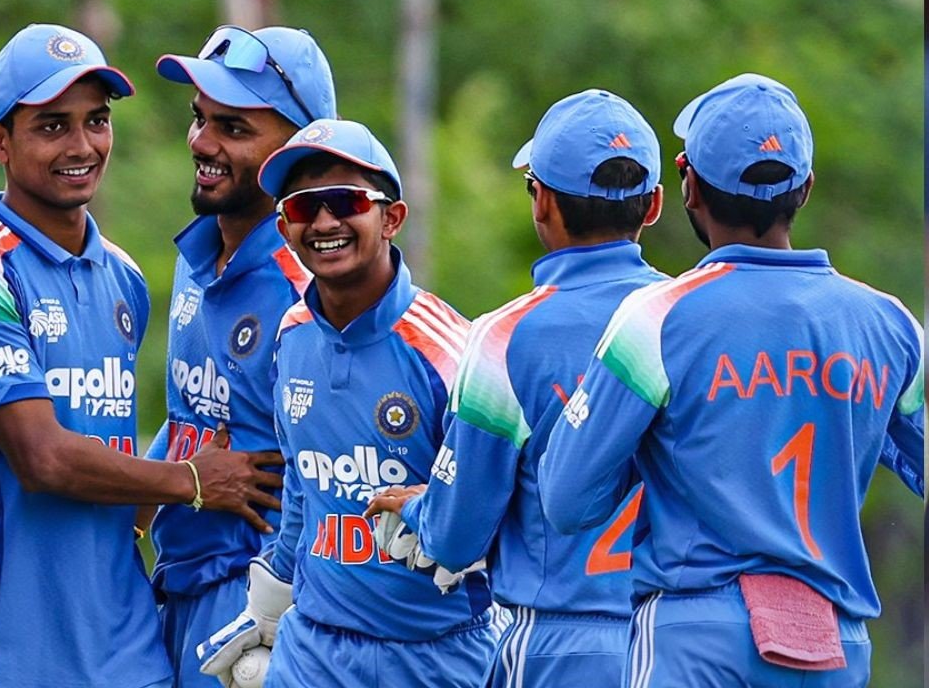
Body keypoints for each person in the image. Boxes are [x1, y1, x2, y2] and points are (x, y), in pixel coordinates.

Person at [0, 23, 284, 688]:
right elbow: (43, 458)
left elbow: (112, 441)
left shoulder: (124, 276)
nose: (82, 146)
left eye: (97, 121)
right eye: (52, 126)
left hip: (127, 652)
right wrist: (194, 482)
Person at [541, 73, 924, 686]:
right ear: (805, 189)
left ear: (689, 187)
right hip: (838, 643)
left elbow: (565, 499)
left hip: (696, 642)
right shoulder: (892, 325)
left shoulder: (656, 317)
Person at [367, 89, 667, 687]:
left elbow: (457, 536)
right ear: (654, 204)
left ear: (543, 201)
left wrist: (422, 508)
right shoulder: (689, 318)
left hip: (556, 644)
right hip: (673, 640)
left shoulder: (505, 336)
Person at [199, 119, 503, 688]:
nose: (324, 223)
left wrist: (448, 525)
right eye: (301, 208)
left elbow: (508, 505)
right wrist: (268, 604)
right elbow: (301, 486)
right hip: (313, 651)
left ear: (391, 218)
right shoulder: (291, 336)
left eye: (345, 202)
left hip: (438, 657)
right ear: (284, 227)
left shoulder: (451, 352)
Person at [147, 25, 335, 687]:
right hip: (176, 593)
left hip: (263, 608)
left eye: (233, 127)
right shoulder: (197, 255)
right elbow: (192, 420)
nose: (202, 142)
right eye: (200, 118)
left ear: (298, 155)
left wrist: (289, 622)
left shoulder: (311, 291)